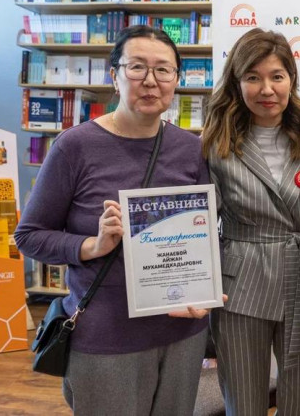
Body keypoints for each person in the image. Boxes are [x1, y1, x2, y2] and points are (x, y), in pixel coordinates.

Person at [15, 25, 211, 415]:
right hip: (107, 336)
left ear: (176, 79)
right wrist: (92, 245)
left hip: (182, 332)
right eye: (137, 67)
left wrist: (204, 289)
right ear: (114, 76)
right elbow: (30, 236)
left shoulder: (192, 149)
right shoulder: (74, 147)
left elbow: (205, 231)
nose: (151, 81)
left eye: (163, 70)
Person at [201, 28, 300, 416]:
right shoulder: (214, 144)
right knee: (243, 402)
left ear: (292, 80)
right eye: (253, 77)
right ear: (237, 84)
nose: (266, 89)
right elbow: (199, 223)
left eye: (276, 76)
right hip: (240, 286)